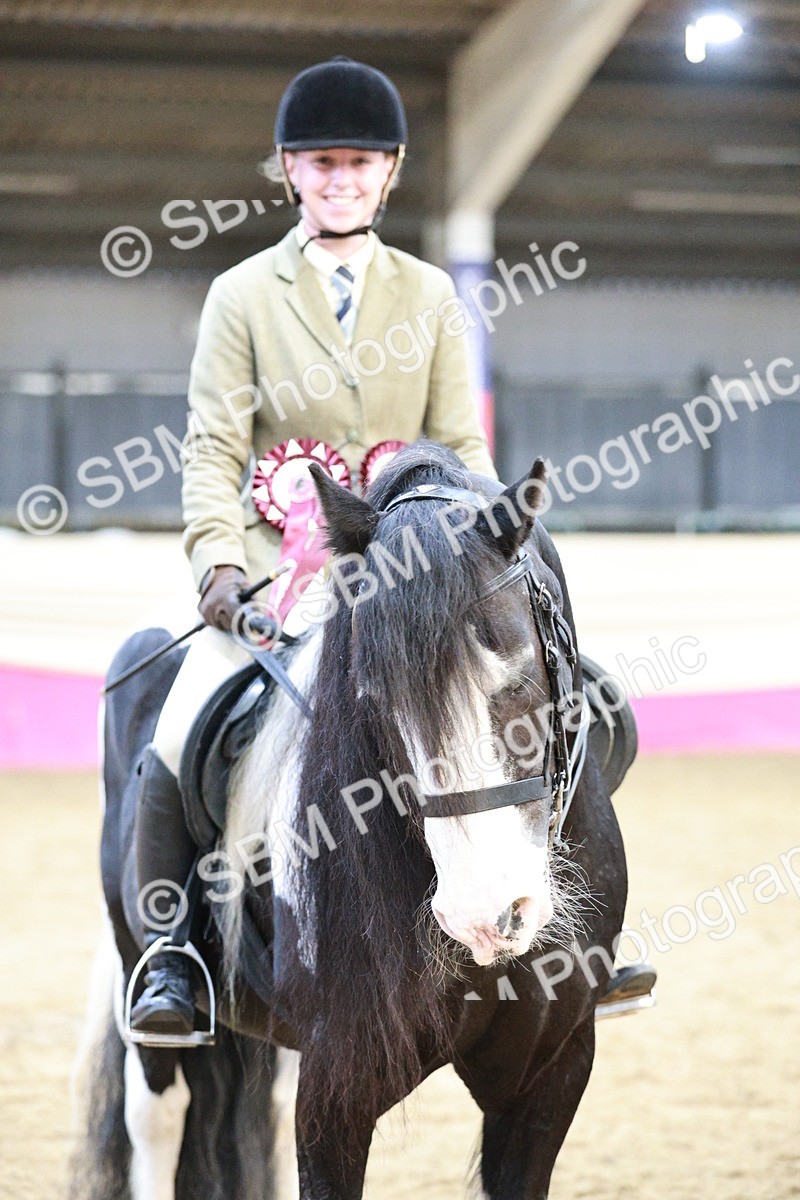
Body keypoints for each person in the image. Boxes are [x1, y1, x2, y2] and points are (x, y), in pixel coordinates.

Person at [129, 56, 496, 1036]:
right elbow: (212, 449)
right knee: (177, 724)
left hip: (408, 576)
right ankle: (173, 957)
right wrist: (220, 567)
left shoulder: (428, 297)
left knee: (540, 688)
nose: (339, 178)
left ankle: (561, 917)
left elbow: (460, 450)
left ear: (389, 173)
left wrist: (478, 558)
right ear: (288, 170)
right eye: (320, 162)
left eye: (358, 162)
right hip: (274, 578)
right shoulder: (241, 295)